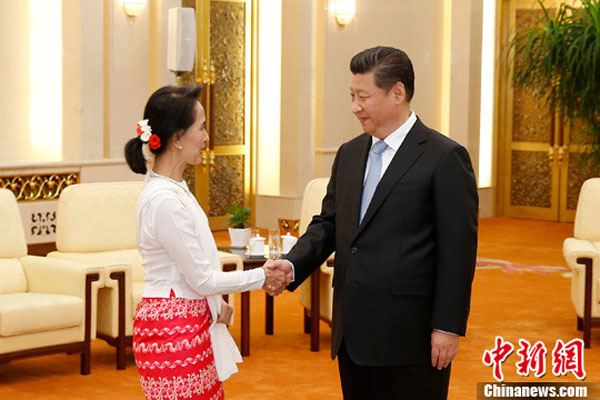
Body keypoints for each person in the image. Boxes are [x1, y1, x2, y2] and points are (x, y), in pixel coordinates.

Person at [266, 46, 478, 399]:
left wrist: (447, 326)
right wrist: (292, 263)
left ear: (397, 92)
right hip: (353, 332)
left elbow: (458, 252)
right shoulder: (350, 153)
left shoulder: (444, 157)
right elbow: (328, 224)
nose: (354, 106)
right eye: (351, 95)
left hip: (411, 336)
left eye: (362, 96)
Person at [124, 85, 289, 400]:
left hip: (185, 321)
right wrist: (263, 275)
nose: (206, 137)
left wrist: (215, 304)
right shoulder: (165, 200)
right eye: (201, 128)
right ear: (177, 138)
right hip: (173, 331)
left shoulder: (173, 190)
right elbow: (201, 279)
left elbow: (192, 272)